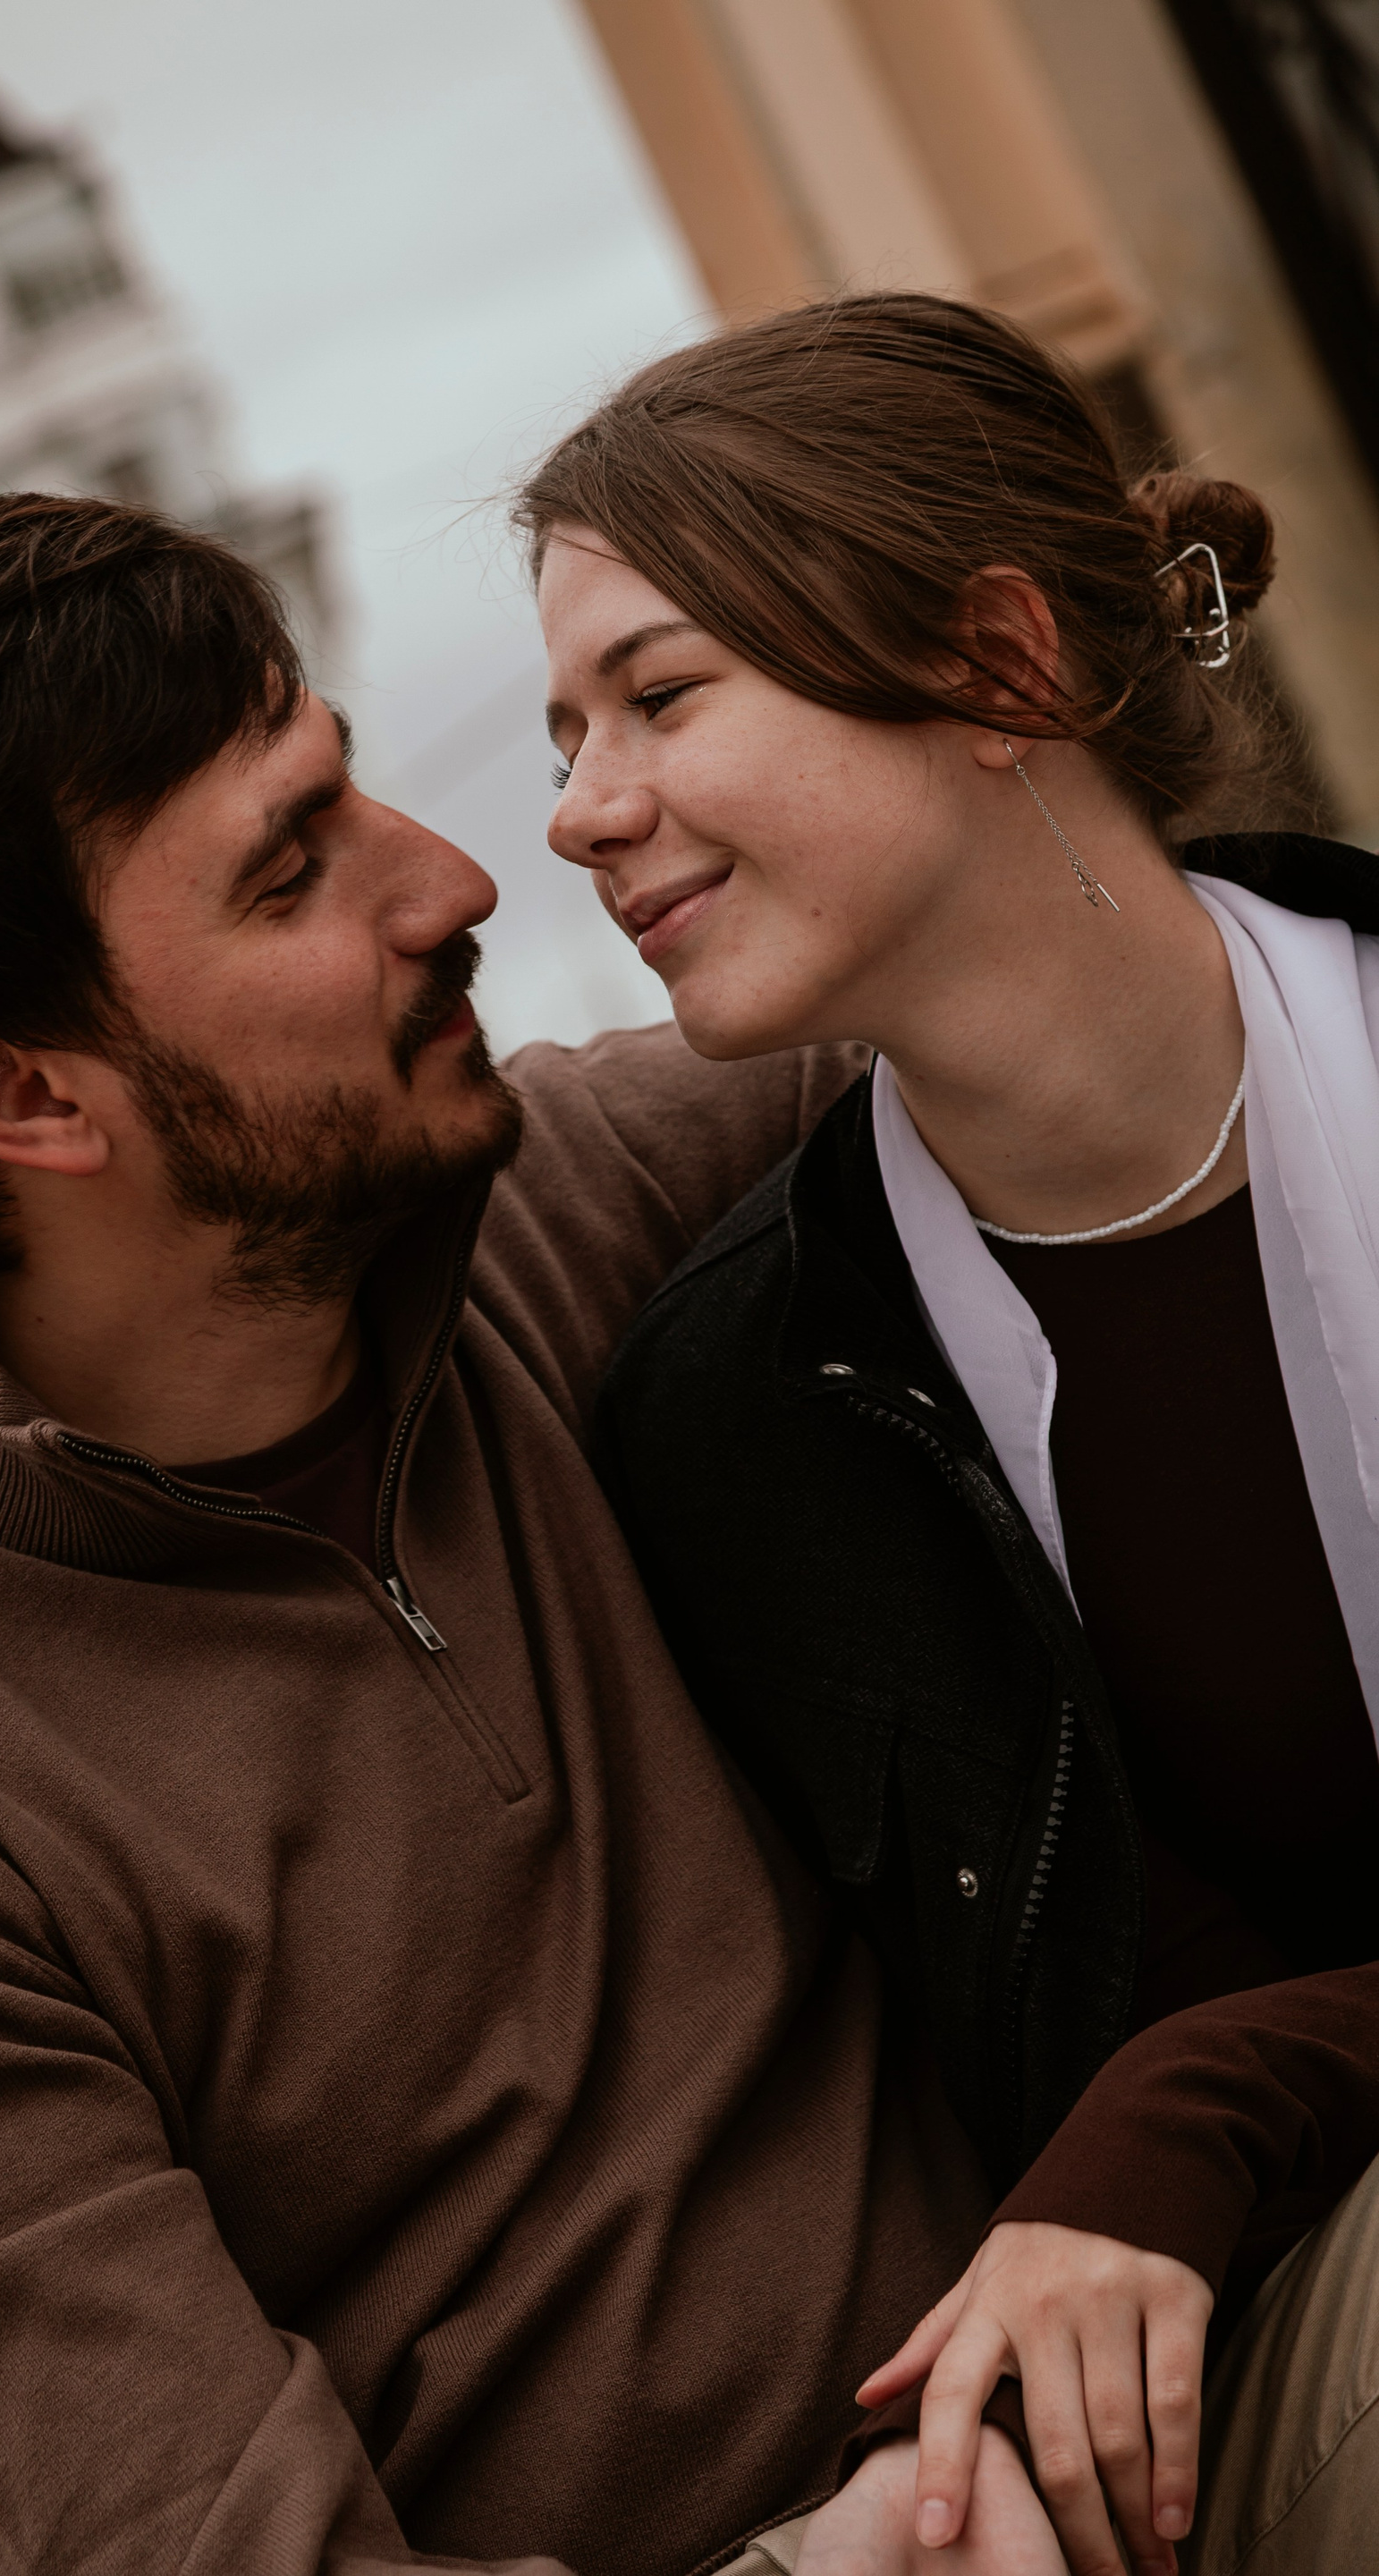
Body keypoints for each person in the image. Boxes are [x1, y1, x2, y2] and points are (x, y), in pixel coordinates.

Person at [0, 492, 1070, 2576]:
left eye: (351, 782)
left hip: (1139, 2373)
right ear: (24, 1098)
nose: (459, 880)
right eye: (292, 866)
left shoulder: (583, 1203)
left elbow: (1110, 989)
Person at [525, 292, 1379, 2576]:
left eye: (662, 694)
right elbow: (1121, 1995)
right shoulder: (749, 1417)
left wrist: (1208, 2096)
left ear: (999, 664)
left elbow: (1192, 2065)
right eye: (568, 732)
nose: (579, 810)